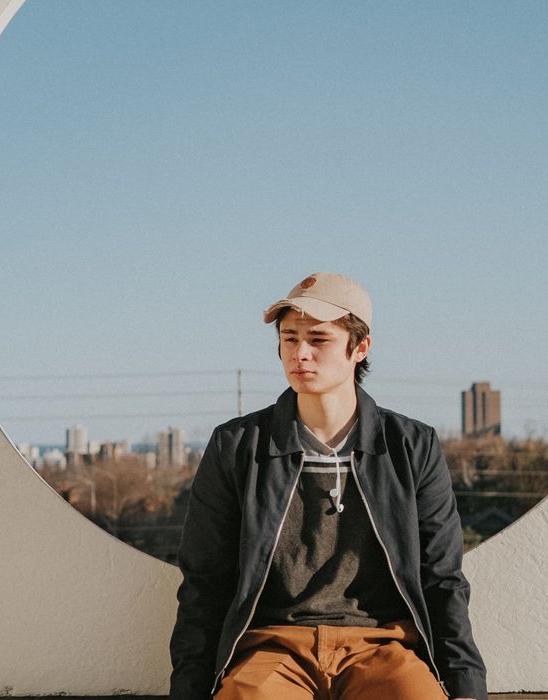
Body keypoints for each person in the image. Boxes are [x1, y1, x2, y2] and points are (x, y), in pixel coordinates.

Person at [169, 272, 487, 700]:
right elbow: (204, 580)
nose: (300, 354)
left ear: (360, 348)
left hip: (383, 645)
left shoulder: (410, 446)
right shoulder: (238, 445)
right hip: (270, 648)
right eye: (288, 339)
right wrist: (188, 689)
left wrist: (467, 686)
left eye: (318, 340)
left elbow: (443, 578)